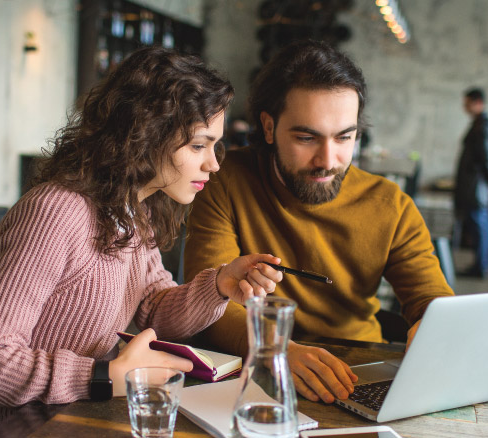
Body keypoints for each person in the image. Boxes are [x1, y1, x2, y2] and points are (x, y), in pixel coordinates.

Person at [0, 47, 284, 433]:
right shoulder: (56, 212)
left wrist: (221, 284)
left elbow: (155, 311)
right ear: (146, 133)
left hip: (76, 418)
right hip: (4, 428)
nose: (214, 163)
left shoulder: (133, 210)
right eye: (197, 145)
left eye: (214, 145)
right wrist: (104, 375)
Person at [183, 40, 454, 405]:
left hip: (356, 371)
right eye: (306, 138)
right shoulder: (225, 180)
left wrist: (434, 328)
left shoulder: (391, 204)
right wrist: (278, 351)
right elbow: (207, 306)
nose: (327, 159)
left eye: (345, 137)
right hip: (256, 370)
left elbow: (431, 299)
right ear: (268, 126)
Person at [454, 87, 488, 278]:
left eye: (467, 104)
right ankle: (481, 265)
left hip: (477, 187)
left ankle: (481, 267)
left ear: (478, 103)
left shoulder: (484, 126)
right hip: (478, 186)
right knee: (481, 225)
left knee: (480, 225)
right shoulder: (481, 124)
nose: (465, 108)